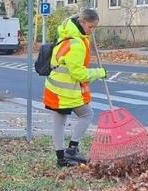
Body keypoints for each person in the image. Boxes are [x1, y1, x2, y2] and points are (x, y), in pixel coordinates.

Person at [43, 9, 107, 167]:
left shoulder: (68, 34)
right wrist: (100, 72)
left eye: (95, 28)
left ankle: (62, 158)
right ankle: (71, 151)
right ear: (82, 22)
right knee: (87, 114)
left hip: (54, 87)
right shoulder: (76, 43)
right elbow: (79, 74)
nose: (92, 31)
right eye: (90, 27)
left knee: (59, 123)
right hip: (65, 91)